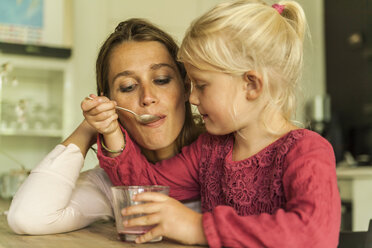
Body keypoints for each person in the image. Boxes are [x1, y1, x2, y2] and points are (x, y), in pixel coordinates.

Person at [89, 1, 341, 247]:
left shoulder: (307, 151)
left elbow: (314, 235)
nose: (192, 97)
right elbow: (145, 188)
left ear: (251, 85)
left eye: (201, 85)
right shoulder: (209, 150)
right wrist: (111, 129)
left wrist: (198, 228)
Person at [7, 18, 204, 235]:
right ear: (110, 102)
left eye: (161, 79)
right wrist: (90, 127)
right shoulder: (113, 184)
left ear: (186, 88)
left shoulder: (221, 157)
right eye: (128, 87)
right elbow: (29, 217)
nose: (147, 97)